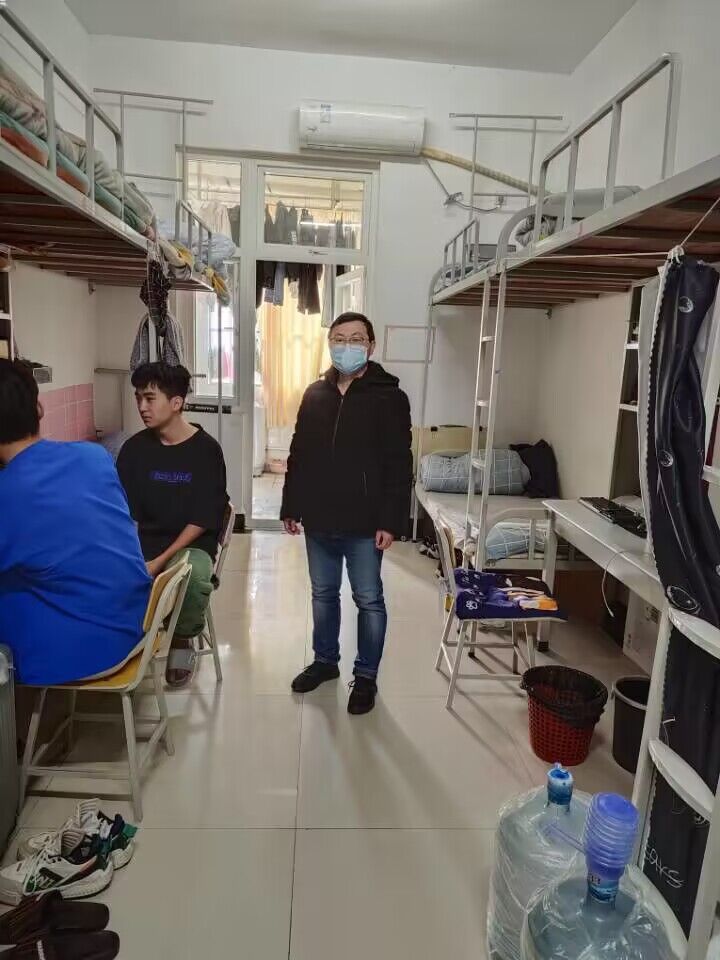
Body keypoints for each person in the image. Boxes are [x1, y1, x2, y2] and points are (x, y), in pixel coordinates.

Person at [282, 311, 412, 715]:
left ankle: (366, 676)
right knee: (323, 594)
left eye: (357, 339)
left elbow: (399, 463)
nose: (347, 345)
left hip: (365, 522)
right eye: (340, 338)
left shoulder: (390, 397)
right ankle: (325, 662)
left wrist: (391, 520)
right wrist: (291, 505)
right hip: (319, 518)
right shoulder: (314, 395)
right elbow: (299, 454)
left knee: (368, 599)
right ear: (330, 344)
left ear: (370, 346)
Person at [0, 359, 151, 685]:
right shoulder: (94, 456)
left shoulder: (8, 491)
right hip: (134, 621)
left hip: (85, 651)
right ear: (39, 409)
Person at [117, 362, 228, 687]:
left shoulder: (206, 451)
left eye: (150, 398)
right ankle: (121, 640)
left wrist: (158, 562)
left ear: (177, 402)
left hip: (190, 543)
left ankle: (182, 637)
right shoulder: (134, 450)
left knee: (191, 574)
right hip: (144, 541)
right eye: (138, 398)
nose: (142, 406)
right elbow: (123, 510)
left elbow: (202, 519)